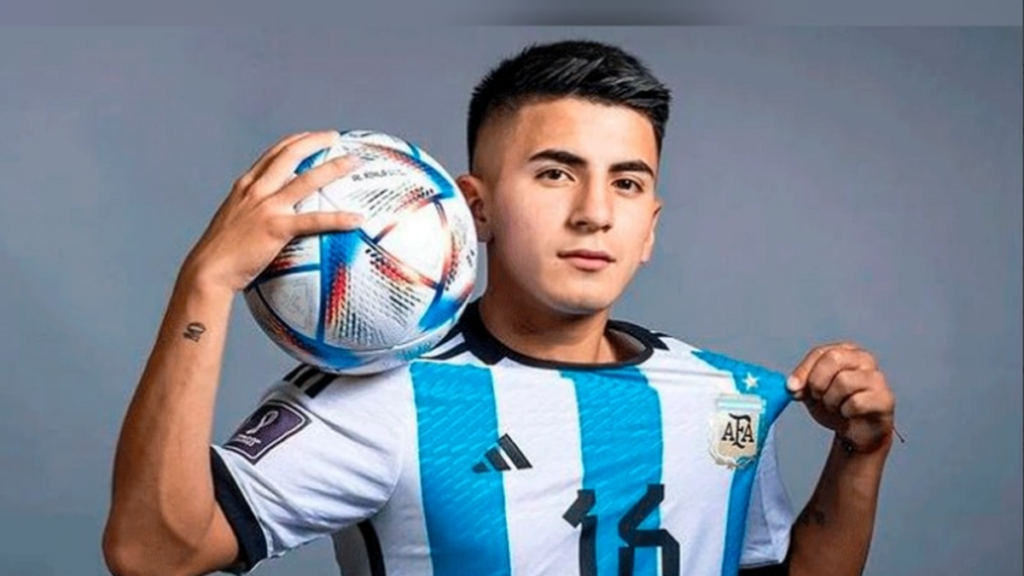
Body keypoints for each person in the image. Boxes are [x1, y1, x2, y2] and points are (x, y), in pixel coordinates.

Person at [103, 39, 897, 576]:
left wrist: (858, 459)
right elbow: (152, 553)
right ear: (473, 208)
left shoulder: (728, 397)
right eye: (555, 173)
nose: (595, 213)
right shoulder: (385, 399)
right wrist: (205, 283)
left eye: (627, 183)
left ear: (651, 226)